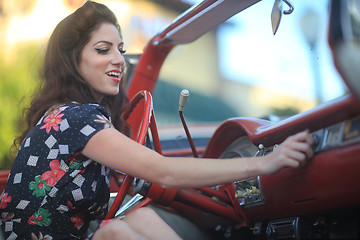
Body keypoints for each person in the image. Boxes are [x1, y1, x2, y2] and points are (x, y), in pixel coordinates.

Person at [0, 1, 314, 239]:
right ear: (73, 60)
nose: (119, 60)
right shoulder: (77, 117)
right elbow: (163, 170)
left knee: (138, 219)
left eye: (121, 50)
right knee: (115, 233)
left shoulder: (60, 115)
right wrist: (265, 163)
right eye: (102, 50)